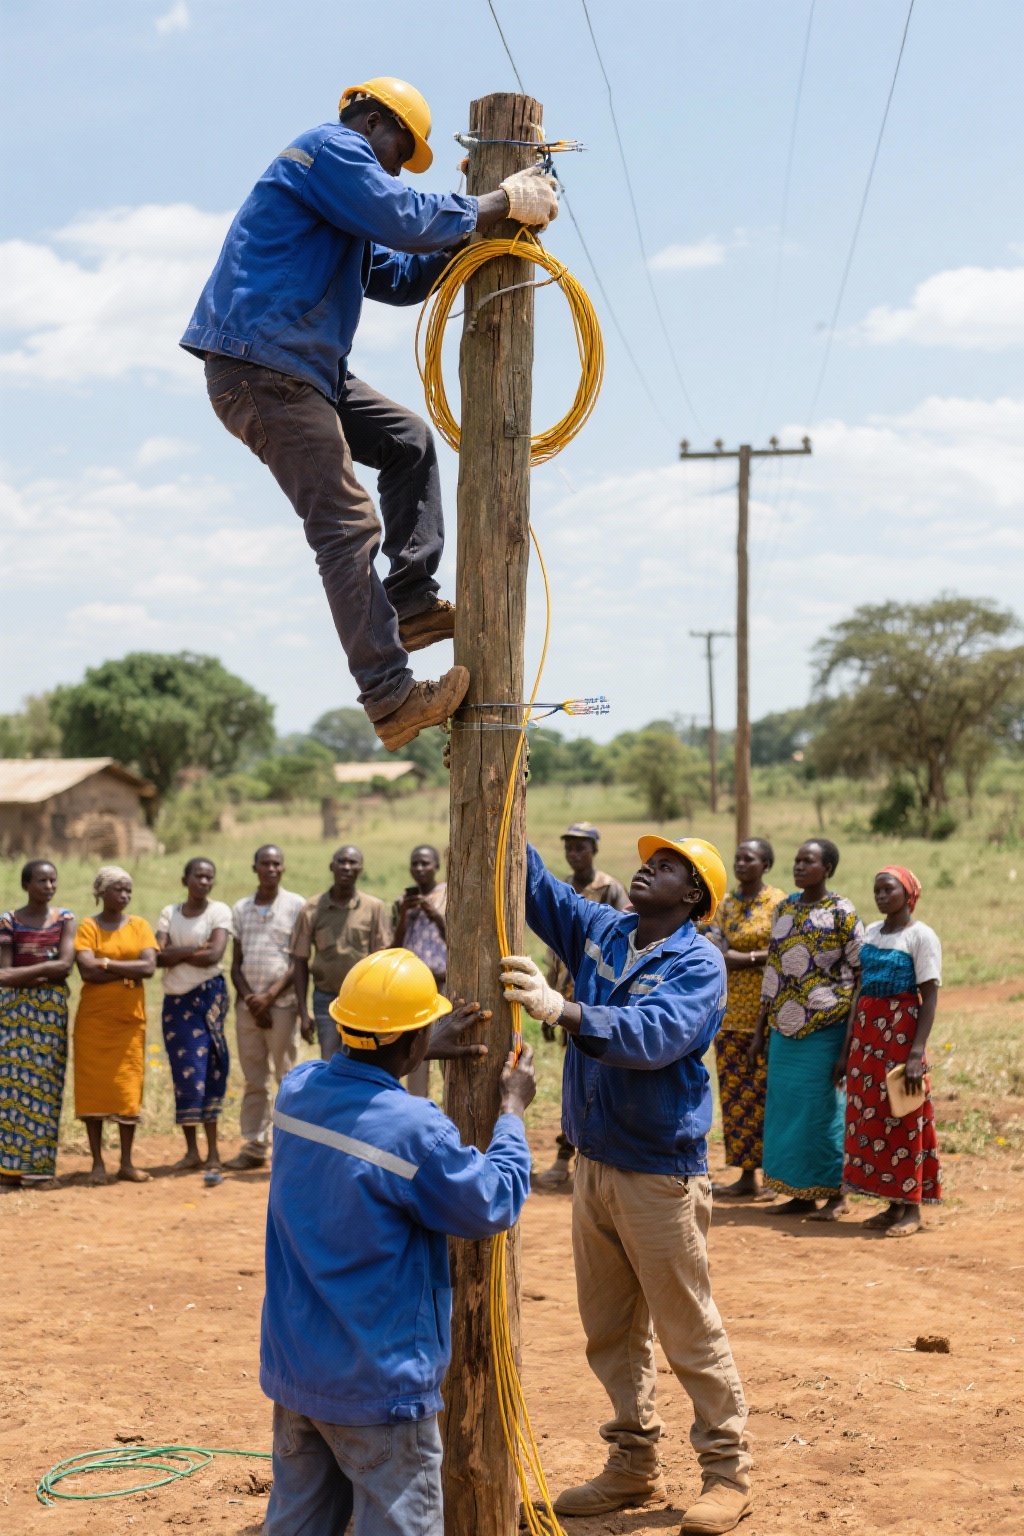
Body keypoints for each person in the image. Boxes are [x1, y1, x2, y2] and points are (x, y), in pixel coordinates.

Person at [181, 77, 559, 751]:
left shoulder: (345, 212)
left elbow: (405, 273)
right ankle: (389, 697)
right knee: (346, 526)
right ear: (375, 122)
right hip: (262, 366)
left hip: (300, 369)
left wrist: (488, 215)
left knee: (408, 441)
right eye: (396, 154)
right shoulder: (331, 150)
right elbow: (406, 217)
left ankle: (411, 601)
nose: (391, 169)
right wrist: (497, 200)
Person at [501, 834, 753, 1536]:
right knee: (609, 1329)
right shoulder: (604, 928)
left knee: (685, 1327)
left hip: (658, 1171)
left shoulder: (699, 963)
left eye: (668, 866)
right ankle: (633, 1462)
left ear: (694, 896)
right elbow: (538, 889)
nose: (648, 868)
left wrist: (564, 1011)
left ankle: (727, 1473)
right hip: (597, 1161)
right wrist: (502, 790)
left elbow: (657, 1034)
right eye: (649, 860)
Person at [260, 948, 533, 1536]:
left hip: (300, 1369)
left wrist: (416, 1046)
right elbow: (492, 1201)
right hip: (377, 1385)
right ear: (411, 1044)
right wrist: (511, 1113)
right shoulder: (414, 1130)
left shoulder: (295, 1092)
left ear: (341, 1025)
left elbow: (352, 1083)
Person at [750, 839, 863, 1221]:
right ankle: (798, 1193)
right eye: (796, 860)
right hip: (784, 1028)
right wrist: (759, 1031)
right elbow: (773, 971)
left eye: (808, 861)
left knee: (822, 1112)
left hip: (825, 1028)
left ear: (827, 868)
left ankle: (836, 1195)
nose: (799, 867)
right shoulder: (785, 909)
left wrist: (847, 1048)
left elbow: (859, 976)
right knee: (784, 1111)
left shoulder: (842, 912)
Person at [836, 865, 942, 1237]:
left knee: (906, 1115)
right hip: (867, 1036)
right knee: (874, 1116)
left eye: (888, 890)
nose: (881, 896)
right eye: (877, 890)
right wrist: (848, 1047)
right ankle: (890, 1202)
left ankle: (912, 1207)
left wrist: (916, 1052)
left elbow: (928, 996)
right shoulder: (872, 932)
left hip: (900, 1033)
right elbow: (860, 991)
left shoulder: (921, 936)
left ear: (908, 894)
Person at [537, 821, 630, 1189]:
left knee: (597, 1077)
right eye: (570, 847)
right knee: (572, 1078)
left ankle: (578, 1156)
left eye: (582, 847)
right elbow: (553, 958)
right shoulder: (562, 889)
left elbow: (623, 940)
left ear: (594, 850)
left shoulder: (609, 888)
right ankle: (568, 1153)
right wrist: (547, 1000)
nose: (575, 854)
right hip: (563, 1001)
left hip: (594, 1004)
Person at [704, 839, 785, 1197]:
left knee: (767, 1096)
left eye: (749, 858)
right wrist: (754, 956)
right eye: (737, 858)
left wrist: (742, 957)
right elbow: (715, 949)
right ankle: (745, 1177)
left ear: (765, 864)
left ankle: (775, 1176)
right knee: (735, 1096)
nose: (740, 863)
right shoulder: (725, 904)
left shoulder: (778, 903)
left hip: (768, 1015)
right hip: (729, 1014)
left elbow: (782, 952)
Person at [74, 866, 158, 1185]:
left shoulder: (139, 926)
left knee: (127, 1089)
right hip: (94, 1022)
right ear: (101, 892)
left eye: (128, 890)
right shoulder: (88, 926)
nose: (124, 895)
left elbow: (149, 967)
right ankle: (97, 1163)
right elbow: (86, 971)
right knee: (93, 1089)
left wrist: (106, 962)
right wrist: (127, 971)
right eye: (117, 889)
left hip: (128, 1021)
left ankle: (126, 1162)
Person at [226, 846, 306, 1171]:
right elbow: (235, 965)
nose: (270, 869)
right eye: (264, 864)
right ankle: (255, 1144)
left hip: (282, 1006)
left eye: (276, 864)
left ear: (283, 869)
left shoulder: (296, 905)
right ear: (254, 868)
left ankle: (288, 1147)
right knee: (253, 1078)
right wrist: (251, 1000)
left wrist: (269, 998)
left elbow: (297, 962)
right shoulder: (241, 908)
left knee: (286, 1077)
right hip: (248, 1009)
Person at [0, 861, 76, 1191]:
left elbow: (66, 966)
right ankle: (8, 1170)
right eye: (41, 880)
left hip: (50, 1012)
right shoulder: (8, 920)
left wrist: (25, 974)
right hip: (15, 1014)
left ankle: (39, 1169)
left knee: (46, 1085)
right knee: (11, 1089)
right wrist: (45, 971)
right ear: (26, 884)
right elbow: (3, 975)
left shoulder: (65, 919)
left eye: (52, 880)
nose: (48, 885)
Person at [156, 857, 234, 1172]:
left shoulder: (219, 911)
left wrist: (178, 953)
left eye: (209, 876)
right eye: (198, 876)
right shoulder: (169, 913)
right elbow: (158, 957)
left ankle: (213, 1152)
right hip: (176, 1001)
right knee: (186, 1073)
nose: (204, 881)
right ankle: (192, 1151)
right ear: (184, 879)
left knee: (212, 1067)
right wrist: (194, 950)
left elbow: (214, 954)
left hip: (209, 996)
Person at [292, 846, 391, 1064]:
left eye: (352, 863)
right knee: (330, 1061)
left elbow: (381, 960)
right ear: (332, 866)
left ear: (361, 869)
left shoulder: (374, 908)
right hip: (326, 1000)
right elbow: (299, 960)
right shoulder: (311, 908)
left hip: (362, 1001)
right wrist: (302, 1011)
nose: (346, 867)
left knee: (362, 1061)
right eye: (342, 861)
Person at [392, 844, 447, 1096]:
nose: (419, 868)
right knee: (413, 1053)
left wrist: (435, 915)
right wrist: (405, 914)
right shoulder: (401, 903)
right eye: (415, 863)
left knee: (448, 1048)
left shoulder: (448, 894)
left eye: (425, 863)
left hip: (443, 984)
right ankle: (416, 1105)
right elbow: (394, 946)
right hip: (413, 987)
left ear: (436, 866)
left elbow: (456, 940)